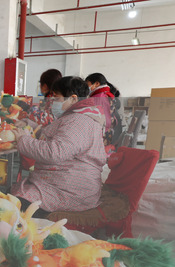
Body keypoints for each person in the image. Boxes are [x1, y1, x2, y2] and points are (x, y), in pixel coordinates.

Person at [10, 76, 107, 217]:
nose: (52, 103)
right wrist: (30, 126)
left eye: (56, 98)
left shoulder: (78, 121)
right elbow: (57, 136)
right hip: (64, 183)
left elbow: (55, 152)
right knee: (11, 195)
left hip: (70, 190)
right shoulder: (79, 116)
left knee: (12, 205)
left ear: (73, 98)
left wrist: (22, 140)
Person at [85, 73, 122, 152]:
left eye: (87, 84)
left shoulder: (99, 97)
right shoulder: (107, 94)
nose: (86, 87)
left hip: (102, 136)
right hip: (108, 132)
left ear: (97, 83)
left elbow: (104, 120)